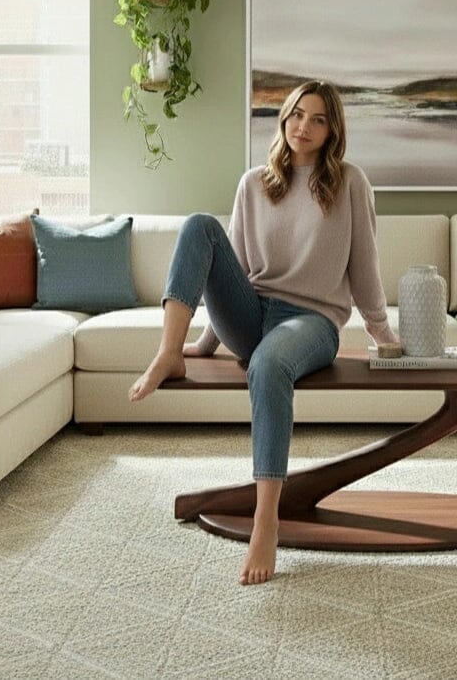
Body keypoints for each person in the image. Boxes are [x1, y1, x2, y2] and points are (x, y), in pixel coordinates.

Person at [129, 80, 398, 585]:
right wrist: (206, 343)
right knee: (197, 227)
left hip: (311, 322)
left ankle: (264, 517)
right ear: (284, 116)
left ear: (332, 129)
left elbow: (364, 269)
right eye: (298, 114)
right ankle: (168, 352)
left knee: (269, 364)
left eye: (319, 119)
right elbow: (226, 269)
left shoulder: (350, 183)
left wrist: (384, 336)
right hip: (252, 315)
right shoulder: (254, 183)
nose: (305, 127)